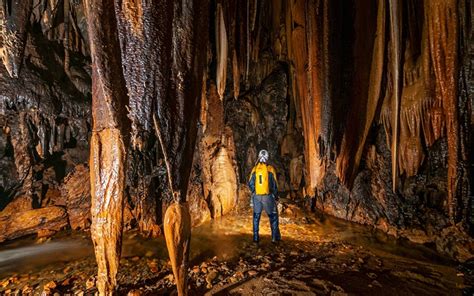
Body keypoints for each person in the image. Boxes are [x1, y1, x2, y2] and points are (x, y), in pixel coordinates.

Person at [248, 149, 281, 243]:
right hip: (268, 197)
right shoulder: (270, 169)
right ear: (267, 158)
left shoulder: (254, 169)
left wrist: (254, 192)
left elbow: (250, 183)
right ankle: (274, 238)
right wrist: (275, 196)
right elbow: (274, 185)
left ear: (259, 157)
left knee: (256, 217)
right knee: (273, 216)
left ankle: (255, 238)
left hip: (257, 196)